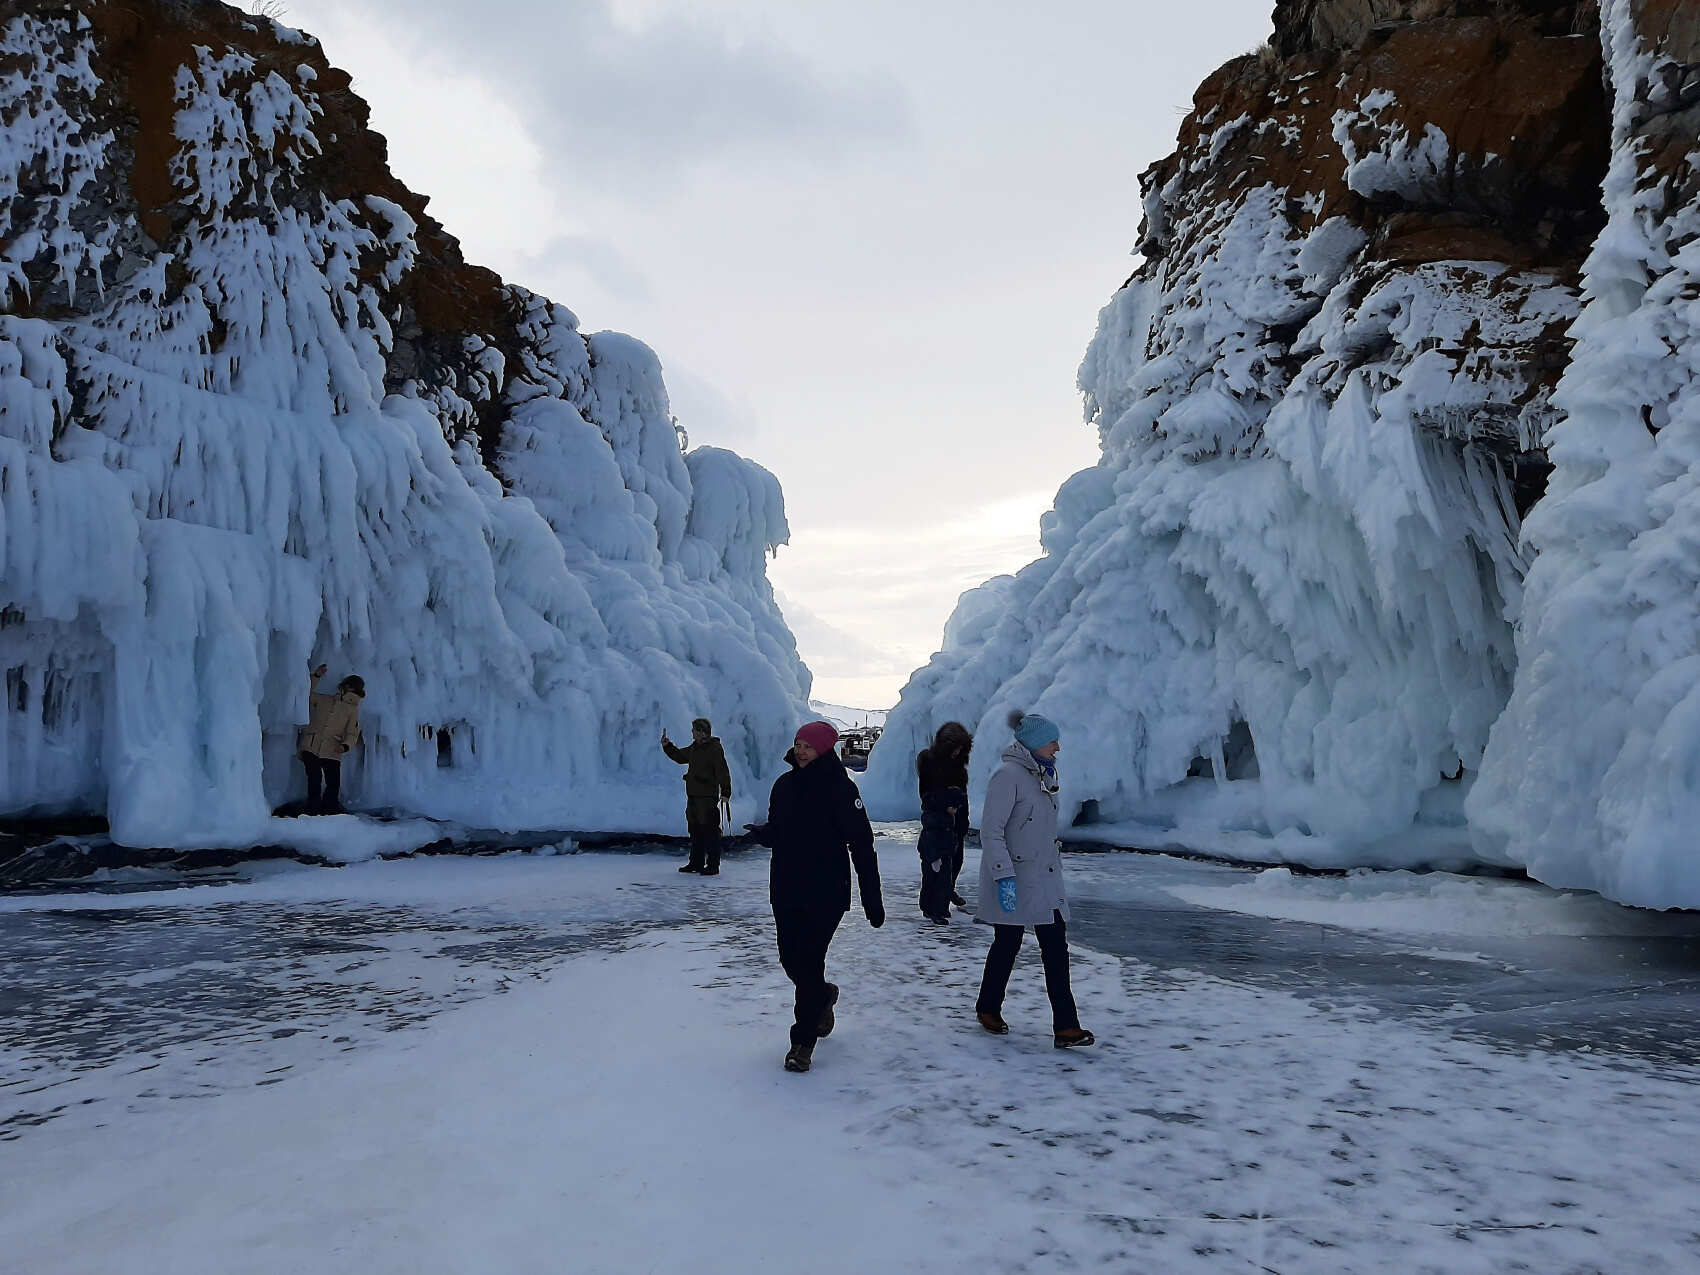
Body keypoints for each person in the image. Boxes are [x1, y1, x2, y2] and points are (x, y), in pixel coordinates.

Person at [746, 720, 884, 1073]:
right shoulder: (784, 785)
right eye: (798, 744)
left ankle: (802, 1043)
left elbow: (861, 843)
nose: (801, 750)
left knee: (808, 963)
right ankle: (823, 996)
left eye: (808, 745)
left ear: (823, 749)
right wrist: (764, 834)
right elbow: (782, 830)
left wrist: (872, 897)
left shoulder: (840, 789)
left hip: (826, 891)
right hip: (786, 887)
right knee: (790, 960)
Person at [974, 709, 1094, 1048]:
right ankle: (988, 1007)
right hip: (1014, 877)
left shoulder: (1042, 775)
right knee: (1007, 944)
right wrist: (1003, 877)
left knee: (1056, 948)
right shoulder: (1008, 776)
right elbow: (992, 832)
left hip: (1044, 878)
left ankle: (1066, 1027)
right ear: (1035, 742)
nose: (1057, 747)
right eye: (1052, 741)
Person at [916, 721, 973, 923]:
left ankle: (945, 894)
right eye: (954, 748)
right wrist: (946, 803)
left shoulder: (959, 769)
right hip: (938, 822)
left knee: (953, 863)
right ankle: (934, 906)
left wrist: (962, 820)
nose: (957, 752)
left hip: (954, 823)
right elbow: (927, 796)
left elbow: (963, 797)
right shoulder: (929, 763)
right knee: (936, 866)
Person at [662, 718, 733, 875]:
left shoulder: (714, 749)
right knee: (695, 830)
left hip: (707, 798)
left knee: (710, 831)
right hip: (694, 796)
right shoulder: (695, 748)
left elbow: (722, 770)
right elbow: (681, 757)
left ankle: (713, 865)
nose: (692, 732)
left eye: (694, 730)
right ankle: (696, 862)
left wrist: (726, 792)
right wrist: (668, 746)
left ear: (702, 732)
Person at [300, 662, 364, 815]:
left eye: (350, 687)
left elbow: (352, 733)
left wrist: (345, 746)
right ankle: (313, 809)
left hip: (333, 749)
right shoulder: (325, 700)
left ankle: (329, 810)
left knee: (333, 783)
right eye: (346, 686)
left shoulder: (352, 710)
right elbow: (304, 694)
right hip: (312, 745)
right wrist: (316, 676)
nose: (346, 689)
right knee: (314, 779)